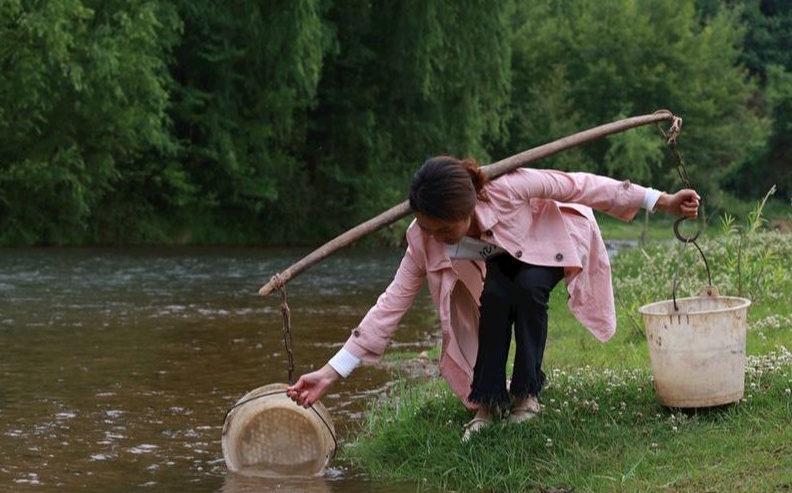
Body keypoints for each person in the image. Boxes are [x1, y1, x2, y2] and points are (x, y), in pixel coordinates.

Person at [287, 157, 700, 440]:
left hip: (551, 239)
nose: (435, 237)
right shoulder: (423, 238)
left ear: (468, 207)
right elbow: (391, 303)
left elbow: (583, 186)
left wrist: (659, 201)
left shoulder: (510, 187)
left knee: (528, 289)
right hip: (501, 261)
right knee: (497, 295)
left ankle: (527, 395)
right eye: (426, 228)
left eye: (443, 229)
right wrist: (331, 371)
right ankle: (488, 403)